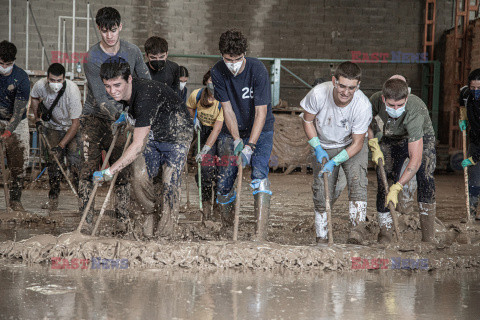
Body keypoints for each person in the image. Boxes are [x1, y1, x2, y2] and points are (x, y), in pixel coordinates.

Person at [93, 57, 193, 238]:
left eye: (117, 85)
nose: (112, 91)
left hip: (178, 134)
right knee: (138, 176)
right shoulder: (128, 93)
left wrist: (109, 171)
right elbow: (139, 116)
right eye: (107, 86)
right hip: (155, 133)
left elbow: (137, 145)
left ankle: (165, 235)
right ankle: (150, 213)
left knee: (170, 183)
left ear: (129, 79)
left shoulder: (145, 96)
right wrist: (129, 117)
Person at [80, 7, 151, 230]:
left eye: (113, 30)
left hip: (124, 118)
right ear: (99, 30)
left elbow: (145, 82)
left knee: (121, 168)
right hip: (94, 117)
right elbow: (101, 96)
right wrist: (118, 114)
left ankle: (122, 218)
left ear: (121, 27)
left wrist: (135, 114)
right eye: (104, 31)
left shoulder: (133, 52)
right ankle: (86, 220)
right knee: (87, 168)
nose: (109, 36)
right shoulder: (92, 58)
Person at [211, 29, 275, 241]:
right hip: (233, 130)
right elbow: (227, 109)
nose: (234, 64)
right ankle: (228, 228)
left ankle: (260, 233)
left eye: (238, 59)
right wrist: (238, 140)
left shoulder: (258, 70)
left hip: (261, 129)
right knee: (225, 179)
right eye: (229, 59)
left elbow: (261, 112)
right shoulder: (217, 72)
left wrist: (250, 146)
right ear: (222, 56)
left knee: (259, 175)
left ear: (244, 54)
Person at [300, 61, 372, 244]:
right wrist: (317, 147)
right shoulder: (318, 94)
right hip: (323, 144)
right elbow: (308, 121)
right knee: (321, 190)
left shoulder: (362, 105)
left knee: (357, 183)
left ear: (358, 86)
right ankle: (322, 235)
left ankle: (356, 234)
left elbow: (357, 143)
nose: (346, 92)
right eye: (342, 86)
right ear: (334, 81)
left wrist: (335, 161)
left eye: (351, 88)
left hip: (351, 145)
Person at [368, 76, 436, 243]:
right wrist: (373, 143)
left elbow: (415, 160)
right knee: (384, 179)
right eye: (391, 105)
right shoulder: (375, 100)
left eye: (400, 105)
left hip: (421, 137)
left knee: (425, 178)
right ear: (384, 99)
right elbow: (366, 121)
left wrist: (398, 187)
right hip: (391, 136)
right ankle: (385, 235)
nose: (396, 109)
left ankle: (428, 237)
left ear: (407, 98)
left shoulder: (415, 109)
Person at [31, 63, 82, 212]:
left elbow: (75, 124)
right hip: (52, 127)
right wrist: (37, 119)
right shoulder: (40, 85)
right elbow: (34, 98)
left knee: (75, 164)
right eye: (52, 80)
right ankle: (53, 199)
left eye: (58, 80)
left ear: (64, 79)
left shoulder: (72, 92)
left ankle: (83, 201)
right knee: (53, 164)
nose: (55, 84)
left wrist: (61, 146)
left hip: (71, 129)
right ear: (47, 78)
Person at [187, 70, 224, 221]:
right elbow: (190, 107)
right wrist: (193, 119)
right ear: (205, 81)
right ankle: (206, 205)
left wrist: (205, 149)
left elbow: (217, 129)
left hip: (219, 134)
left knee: (221, 169)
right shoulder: (197, 94)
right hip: (202, 131)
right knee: (205, 169)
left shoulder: (223, 101)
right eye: (210, 80)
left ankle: (219, 205)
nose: (213, 84)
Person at [0, 41, 30, 212]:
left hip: (17, 121)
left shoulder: (22, 78)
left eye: (8, 64)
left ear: (14, 61)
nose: (4, 67)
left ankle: (15, 199)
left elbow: (18, 113)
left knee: (18, 162)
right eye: (1, 63)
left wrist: (8, 132)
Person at [459, 68, 480, 220]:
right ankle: (471, 214)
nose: (475, 91)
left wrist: (475, 158)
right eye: (473, 88)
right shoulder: (467, 93)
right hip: (475, 138)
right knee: (473, 177)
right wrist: (463, 118)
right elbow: (462, 99)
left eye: (479, 88)